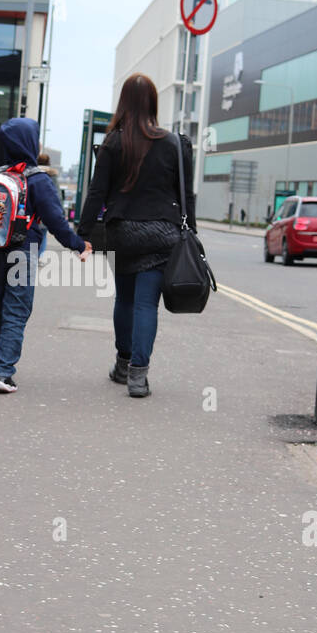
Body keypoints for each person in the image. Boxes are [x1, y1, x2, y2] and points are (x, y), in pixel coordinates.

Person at [77, 73, 196, 399]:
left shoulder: (114, 142)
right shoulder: (173, 143)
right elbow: (187, 195)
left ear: (124, 103)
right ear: (153, 103)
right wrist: (192, 235)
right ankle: (138, 379)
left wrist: (82, 234)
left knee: (125, 300)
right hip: (162, 233)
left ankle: (122, 364)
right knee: (147, 306)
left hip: (124, 233)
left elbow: (97, 193)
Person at [0, 117, 91, 393]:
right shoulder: (38, 180)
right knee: (17, 309)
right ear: (29, 143)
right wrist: (78, 245)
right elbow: (55, 220)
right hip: (22, 250)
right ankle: (4, 372)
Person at [35, 150, 61, 263]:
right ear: (48, 162)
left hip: (34, 209)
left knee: (32, 233)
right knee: (43, 234)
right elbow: (57, 194)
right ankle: (39, 256)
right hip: (47, 209)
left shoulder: (32, 172)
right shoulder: (52, 175)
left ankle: (32, 256)